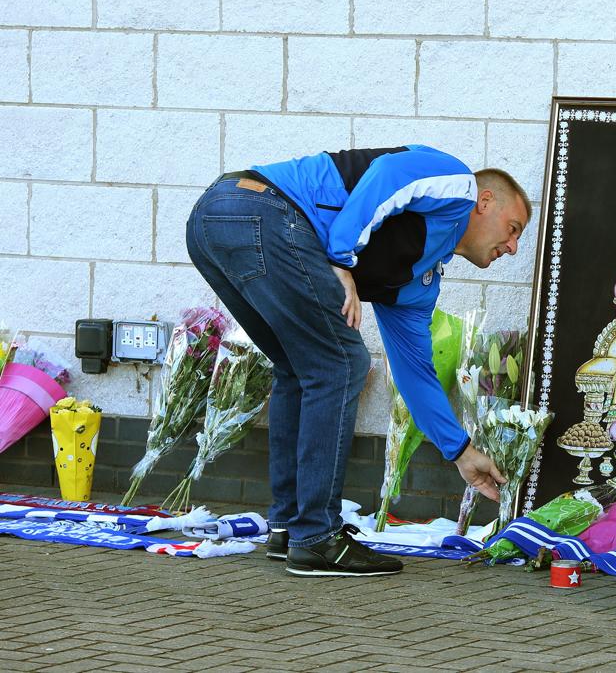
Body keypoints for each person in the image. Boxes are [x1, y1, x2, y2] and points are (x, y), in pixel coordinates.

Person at [186, 145, 530, 577]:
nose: (514, 247)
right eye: (513, 228)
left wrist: (460, 452)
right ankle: (317, 538)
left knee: (302, 367)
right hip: (259, 207)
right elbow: (388, 174)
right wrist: (341, 258)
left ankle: (290, 529)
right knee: (341, 363)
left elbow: (414, 372)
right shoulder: (456, 182)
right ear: (485, 202)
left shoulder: (419, 280)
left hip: (216, 223)